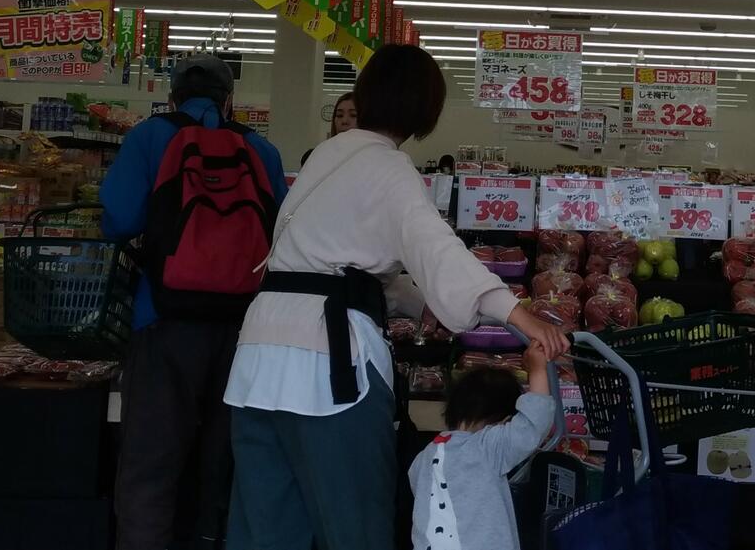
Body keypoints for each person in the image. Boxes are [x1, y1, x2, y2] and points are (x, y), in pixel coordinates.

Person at [225, 44, 570, 550]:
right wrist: (520, 315)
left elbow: (338, 259)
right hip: (325, 367)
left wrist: (417, 303)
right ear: (424, 111)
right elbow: (435, 246)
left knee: (265, 525)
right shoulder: (389, 168)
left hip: (257, 360)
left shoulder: (327, 155)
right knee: (354, 522)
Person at [102, 55, 289, 550]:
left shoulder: (149, 137)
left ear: (172, 98)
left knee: (150, 464)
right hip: (244, 329)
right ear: (230, 101)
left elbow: (118, 220)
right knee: (226, 462)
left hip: (162, 319)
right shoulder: (261, 151)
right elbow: (283, 234)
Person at [409, 342, 557, 550]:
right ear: (504, 422)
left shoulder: (424, 456)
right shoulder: (488, 447)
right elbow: (535, 421)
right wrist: (538, 369)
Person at [296, 92, 357, 169]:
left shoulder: (371, 158)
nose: (344, 121)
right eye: (339, 115)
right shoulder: (317, 156)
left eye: (353, 115)